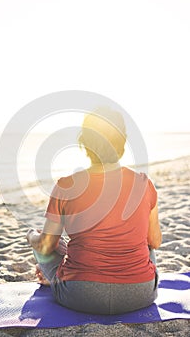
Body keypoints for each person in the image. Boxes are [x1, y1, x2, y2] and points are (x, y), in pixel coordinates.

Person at [26, 107, 162, 315]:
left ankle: (53, 279)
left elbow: (45, 248)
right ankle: (55, 276)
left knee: (47, 242)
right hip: (139, 294)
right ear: (122, 142)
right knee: (146, 244)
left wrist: (31, 237)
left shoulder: (66, 186)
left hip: (79, 295)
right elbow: (155, 241)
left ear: (84, 143)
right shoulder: (144, 184)